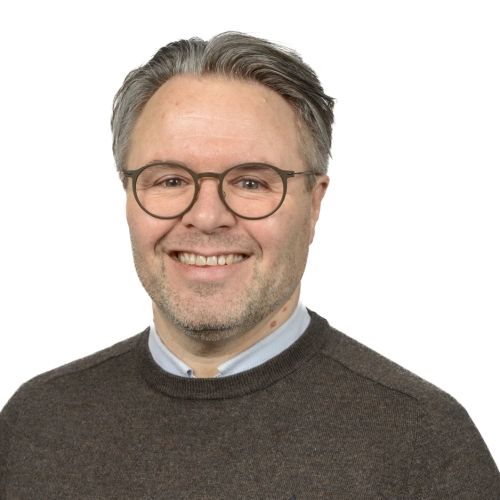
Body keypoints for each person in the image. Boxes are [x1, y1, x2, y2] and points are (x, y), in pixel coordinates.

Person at [1, 32, 499, 499]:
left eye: (251, 183)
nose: (206, 217)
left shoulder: (424, 445)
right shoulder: (34, 426)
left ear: (314, 204)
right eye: (170, 180)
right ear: (128, 196)